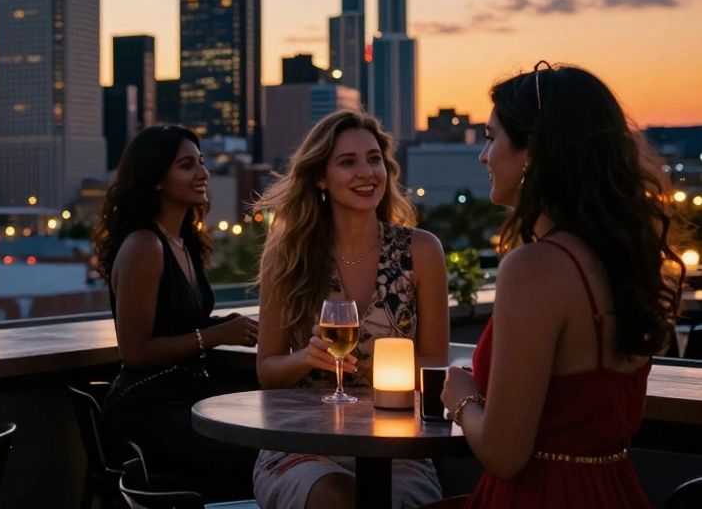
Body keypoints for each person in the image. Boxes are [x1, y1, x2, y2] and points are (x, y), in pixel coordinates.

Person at [441, 63, 684, 508]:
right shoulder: (622, 259)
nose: (483, 155)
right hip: (614, 490)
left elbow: (503, 453)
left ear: (532, 150)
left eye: (492, 138)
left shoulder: (535, 268)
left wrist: (462, 398)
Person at [252, 110, 448, 509]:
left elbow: (435, 362)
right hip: (302, 444)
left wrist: (378, 379)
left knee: (389, 499)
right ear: (321, 177)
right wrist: (307, 358)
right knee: (334, 497)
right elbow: (267, 370)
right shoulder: (287, 257)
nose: (366, 172)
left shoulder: (422, 251)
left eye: (374, 159)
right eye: (347, 162)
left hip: (395, 445)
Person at [94, 124, 260, 501]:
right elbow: (134, 352)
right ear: (155, 179)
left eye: (201, 163)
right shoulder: (144, 245)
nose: (203, 173)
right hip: (149, 410)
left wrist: (235, 327)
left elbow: (185, 325)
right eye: (187, 166)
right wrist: (216, 336)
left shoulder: (183, 242)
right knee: (258, 456)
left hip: (185, 398)